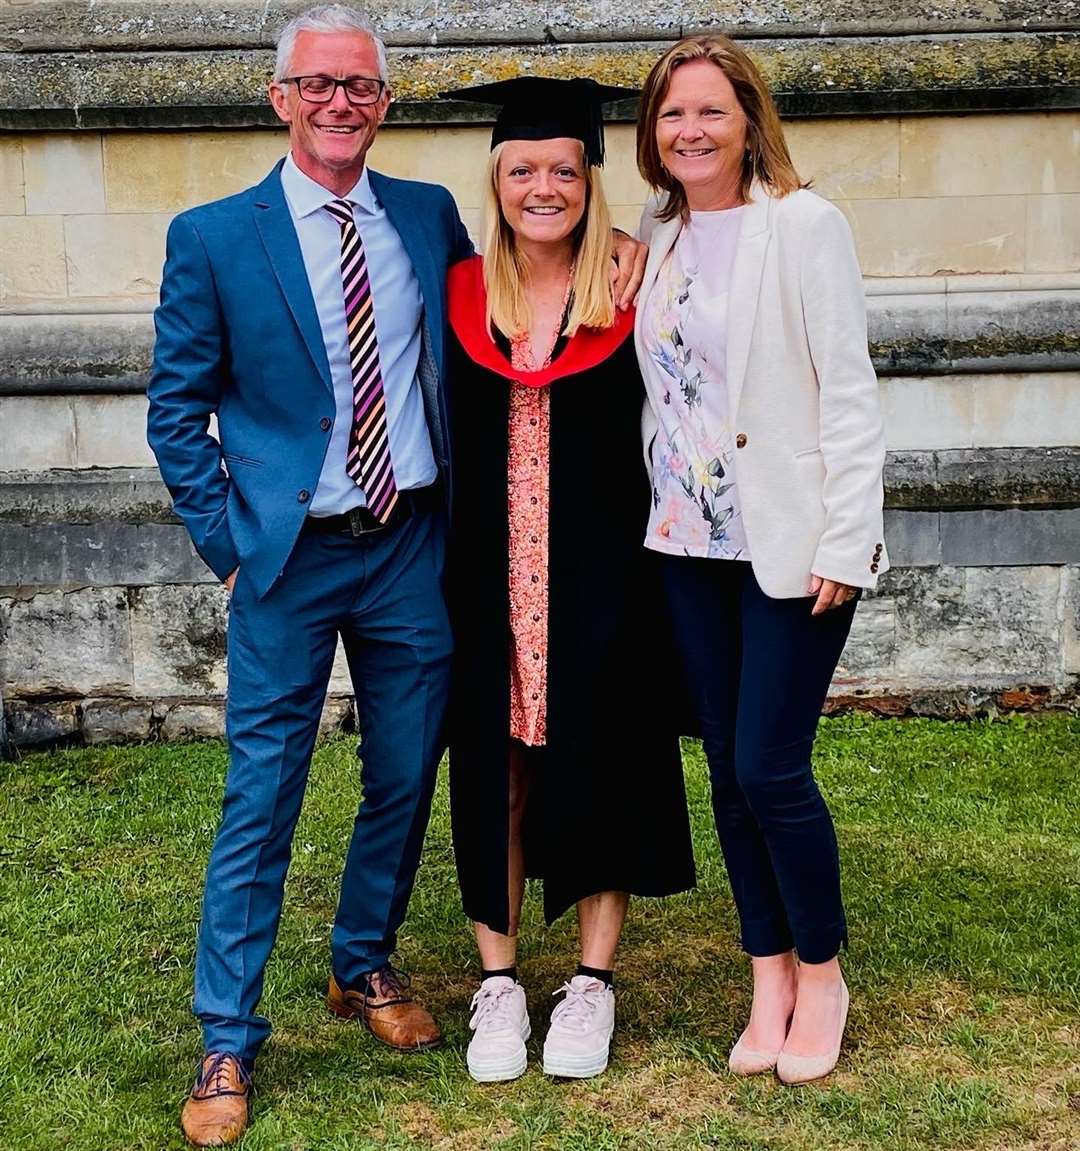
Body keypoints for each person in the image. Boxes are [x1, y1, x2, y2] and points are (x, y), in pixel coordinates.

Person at [146, 5, 647, 1144]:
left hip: (412, 545)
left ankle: (362, 961)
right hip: (288, 559)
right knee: (260, 793)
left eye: (360, 87)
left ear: (385, 102)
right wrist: (230, 541)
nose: (338, 103)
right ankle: (226, 1033)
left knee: (407, 772)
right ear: (279, 98)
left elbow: (529, 290)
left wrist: (621, 252)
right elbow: (176, 411)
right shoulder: (215, 236)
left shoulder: (426, 220)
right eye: (317, 85)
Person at [633, 35, 889, 1085]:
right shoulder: (654, 232)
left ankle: (822, 972)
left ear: (749, 120)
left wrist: (847, 537)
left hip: (792, 544)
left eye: (710, 111)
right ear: (653, 135)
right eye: (671, 115)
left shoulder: (805, 226)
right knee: (728, 778)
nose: (690, 131)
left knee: (770, 766)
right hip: (686, 545)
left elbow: (851, 389)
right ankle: (767, 971)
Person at [440, 76, 696, 1085]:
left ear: (590, 181)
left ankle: (592, 978)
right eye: (521, 170)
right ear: (496, 180)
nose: (541, 186)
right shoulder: (461, 290)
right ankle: (497, 978)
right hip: (484, 575)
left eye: (562, 169)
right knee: (492, 768)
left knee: (605, 757)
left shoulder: (633, 287)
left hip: (603, 574)